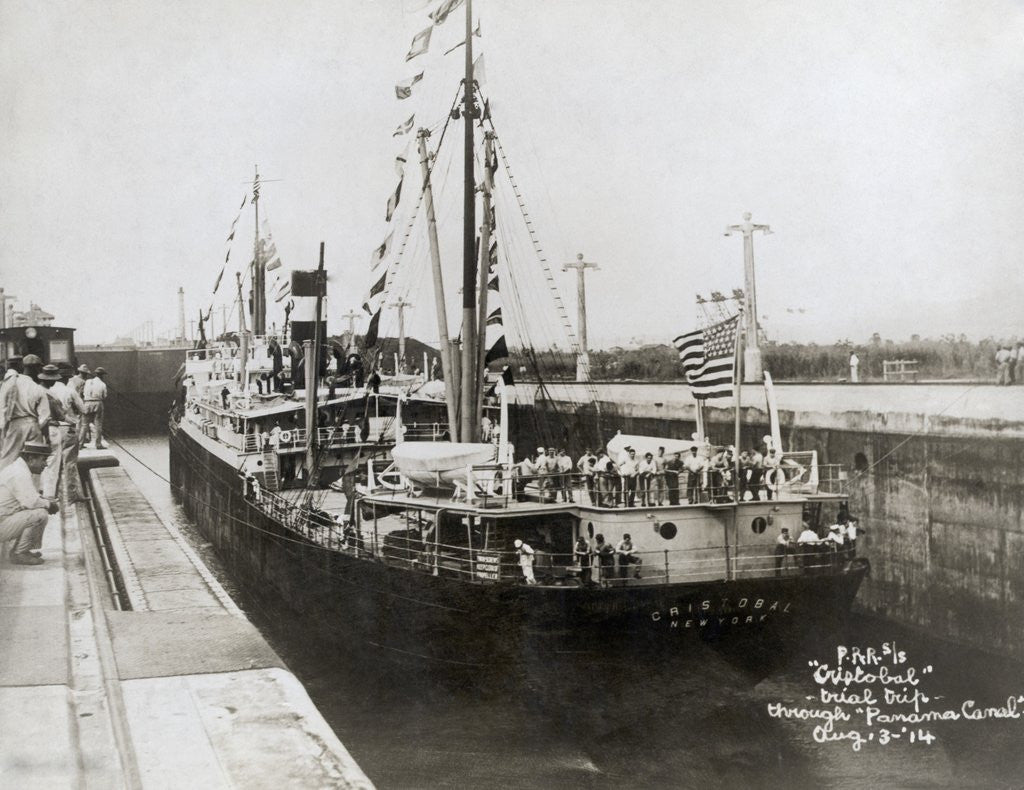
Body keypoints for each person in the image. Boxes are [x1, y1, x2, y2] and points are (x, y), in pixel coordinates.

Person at [0, 441, 59, 565]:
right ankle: (20, 553)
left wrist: (45, 501)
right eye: (43, 460)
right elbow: (31, 502)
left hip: (4, 519)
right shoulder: (19, 473)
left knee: (37, 510)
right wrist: (49, 504)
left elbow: (30, 497)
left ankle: (22, 551)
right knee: (39, 514)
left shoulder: (18, 468)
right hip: (2, 523)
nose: (45, 464)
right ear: (31, 458)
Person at [0, 354, 50, 470]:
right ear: (38, 369)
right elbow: (45, 416)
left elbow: (2, 407)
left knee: (8, 459)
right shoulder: (37, 387)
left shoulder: (9, 383)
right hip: (33, 425)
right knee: (33, 462)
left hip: (14, 425)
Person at [37, 365, 71, 500]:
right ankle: (49, 495)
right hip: (51, 429)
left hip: (37, 430)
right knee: (52, 464)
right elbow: (61, 415)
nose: (54, 382)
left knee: (39, 462)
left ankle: (40, 491)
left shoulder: (34, 390)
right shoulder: (50, 395)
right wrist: (73, 423)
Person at [81, 367, 109, 449]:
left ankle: (80, 444)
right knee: (98, 424)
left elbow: (83, 392)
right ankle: (98, 444)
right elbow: (104, 396)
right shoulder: (103, 384)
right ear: (102, 375)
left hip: (87, 402)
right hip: (97, 402)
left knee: (84, 425)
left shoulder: (88, 381)